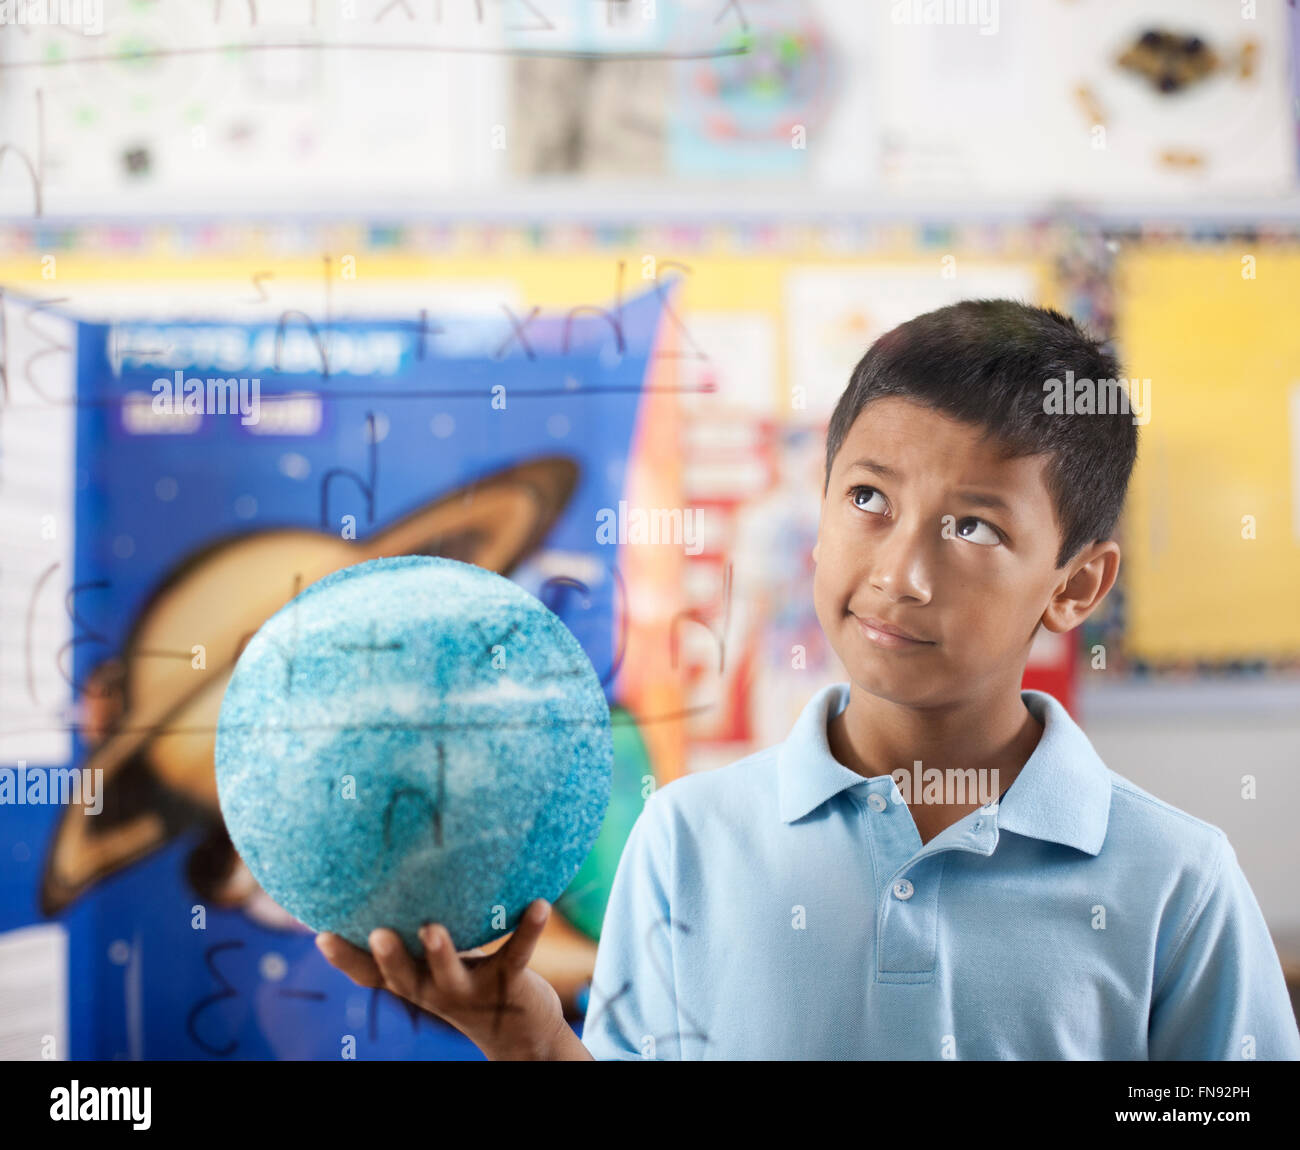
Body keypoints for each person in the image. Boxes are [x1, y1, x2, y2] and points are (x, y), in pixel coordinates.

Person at [315, 298, 1300, 1061]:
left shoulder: (1176, 883)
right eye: (868, 497)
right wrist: (528, 1039)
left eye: (973, 526)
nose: (896, 574)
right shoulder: (688, 839)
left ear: (1075, 583)